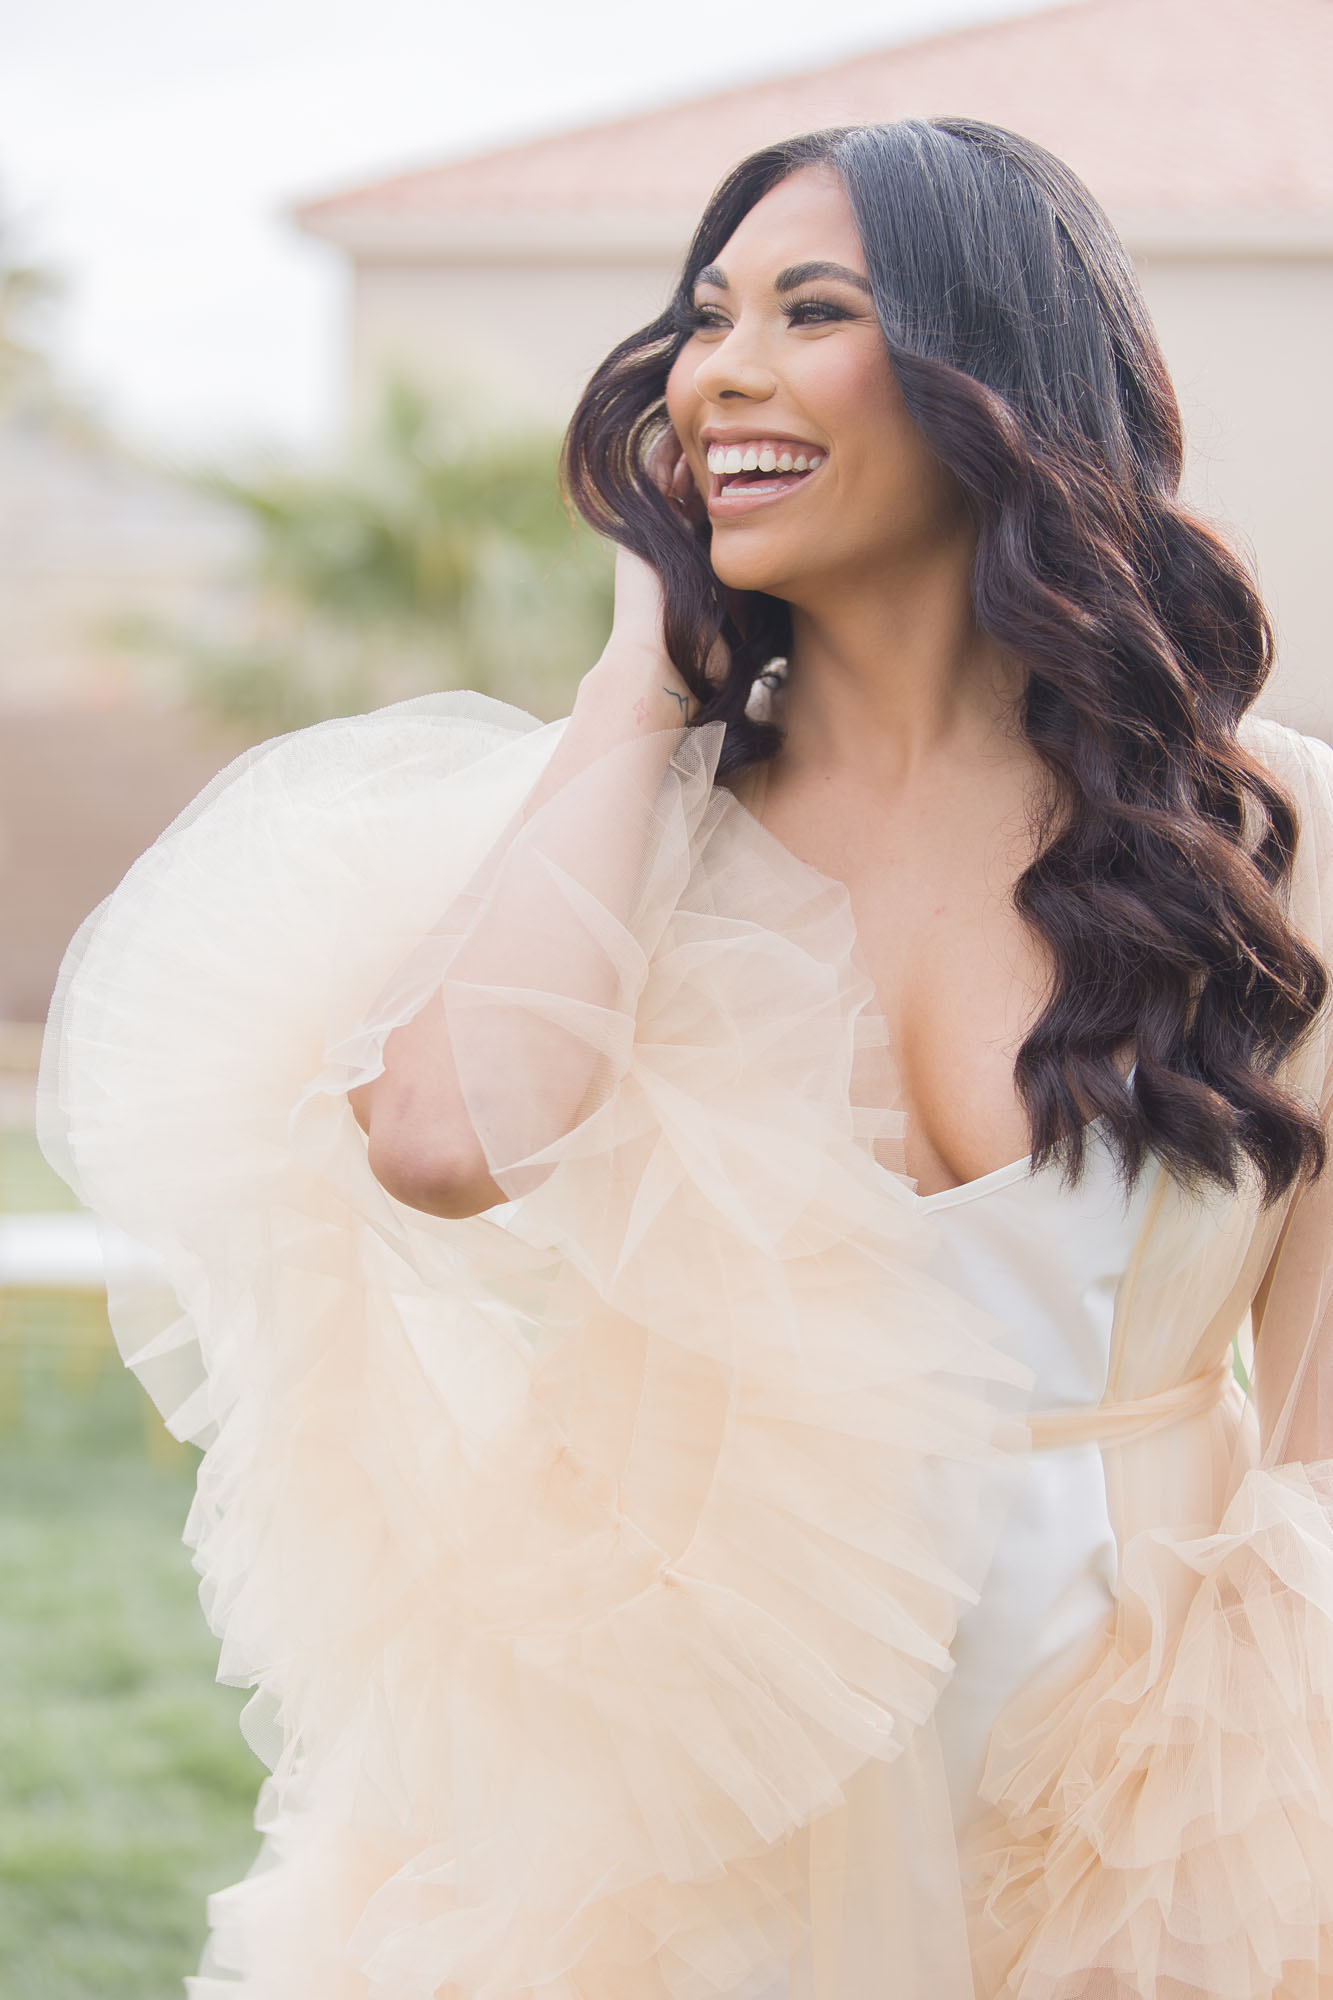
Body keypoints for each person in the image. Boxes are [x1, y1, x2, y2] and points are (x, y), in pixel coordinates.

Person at [37, 118, 1333, 1999]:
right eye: (702, 317)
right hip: (698, 1776)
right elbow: (439, 1139)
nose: (720, 368)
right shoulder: (633, 824)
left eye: (813, 311)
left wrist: (1259, 1760)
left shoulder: (1270, 836)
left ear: (1002, 373)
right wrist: (640, 675)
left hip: (1146, 1778)